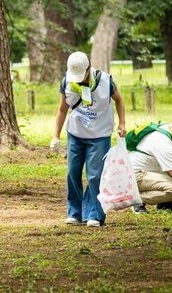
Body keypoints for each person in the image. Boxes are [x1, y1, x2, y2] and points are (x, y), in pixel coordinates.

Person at [50, 51, 126, 227]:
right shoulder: (67, 82)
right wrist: (56, 135)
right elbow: (62, 110)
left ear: (88, 68)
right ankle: (74, 213)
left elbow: (120, 100)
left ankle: (94, 214)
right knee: (72, 173)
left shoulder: (106, 81)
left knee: (95, 176)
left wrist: (122, 123)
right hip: (76, 134)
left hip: (99, 136)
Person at [128, 120, 172, 213]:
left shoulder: (169, 130)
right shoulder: (163, 142)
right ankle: (136, 200)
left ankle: (166, 203)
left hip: (147, 171)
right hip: (134, 176)